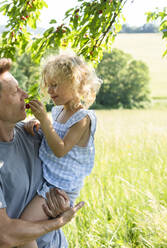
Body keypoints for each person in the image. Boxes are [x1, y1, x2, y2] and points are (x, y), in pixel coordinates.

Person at [0, 58, 84, 248]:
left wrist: (62, 205)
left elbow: (66, 172)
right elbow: (2, 236)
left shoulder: (32, 134)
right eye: (15, 91)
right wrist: (58, 222)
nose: (24, 95)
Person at [19, 54, 102, 248]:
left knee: (23, 230)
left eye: (55, 85)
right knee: (28, 230)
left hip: (61, 187)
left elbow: (60, 149)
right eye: (48, 85)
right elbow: (53, 135)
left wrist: (46, 123)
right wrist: (39, 125)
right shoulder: (58, 111)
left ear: (75, 83)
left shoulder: (82, 118)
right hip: (51, 179)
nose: (49, 90)